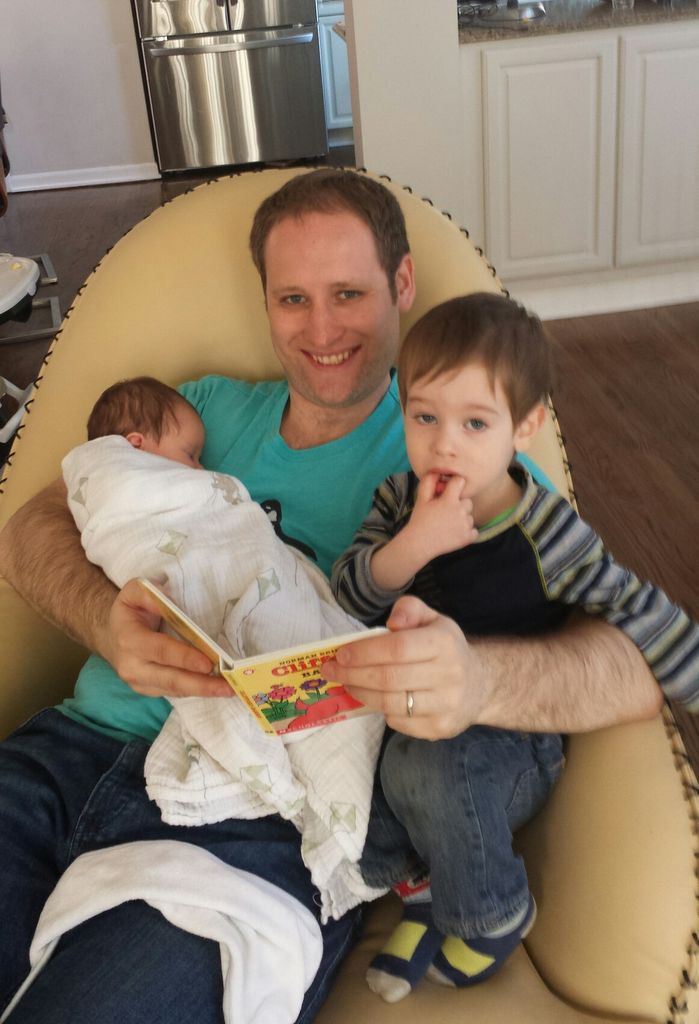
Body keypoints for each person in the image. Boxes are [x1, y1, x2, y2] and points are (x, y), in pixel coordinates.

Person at [0, 168, 668, 1024]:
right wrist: (102, 620)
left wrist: (478, 681)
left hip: (261, 818)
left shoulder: (462, 462)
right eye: (293, 299)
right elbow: (30, 527)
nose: (320, 331)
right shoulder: (192, 414)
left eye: (348, 293)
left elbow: (633, 660)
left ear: (401, 284)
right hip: (65, 755)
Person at [331, 292, 699, 1002]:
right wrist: (412, 546)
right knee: (351, 765)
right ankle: (419, 892)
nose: (445, 444)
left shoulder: (545, 530)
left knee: (439, 766)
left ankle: (489, 913)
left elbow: (635, 608)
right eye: (424, 417)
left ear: (523, 427)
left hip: (510, 743)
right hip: (408, 718)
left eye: (475, 423)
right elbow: (348, 595)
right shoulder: (396, 502)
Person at [63, 375, 387, 923]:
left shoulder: (447, 439)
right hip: (71, 744)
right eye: (191, 456)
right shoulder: (193, 405)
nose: (198, 468)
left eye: (197, 459)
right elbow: (45, 520)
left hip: (237, 823)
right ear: (134, 447)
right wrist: (108, 628)